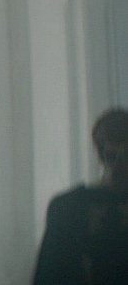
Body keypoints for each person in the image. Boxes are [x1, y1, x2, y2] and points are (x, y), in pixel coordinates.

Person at [33, 108, 128, 284]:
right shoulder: (69, 207)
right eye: (112, 155)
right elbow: (49, 274)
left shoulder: (68, 206)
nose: (119, 165)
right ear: (100, 154)